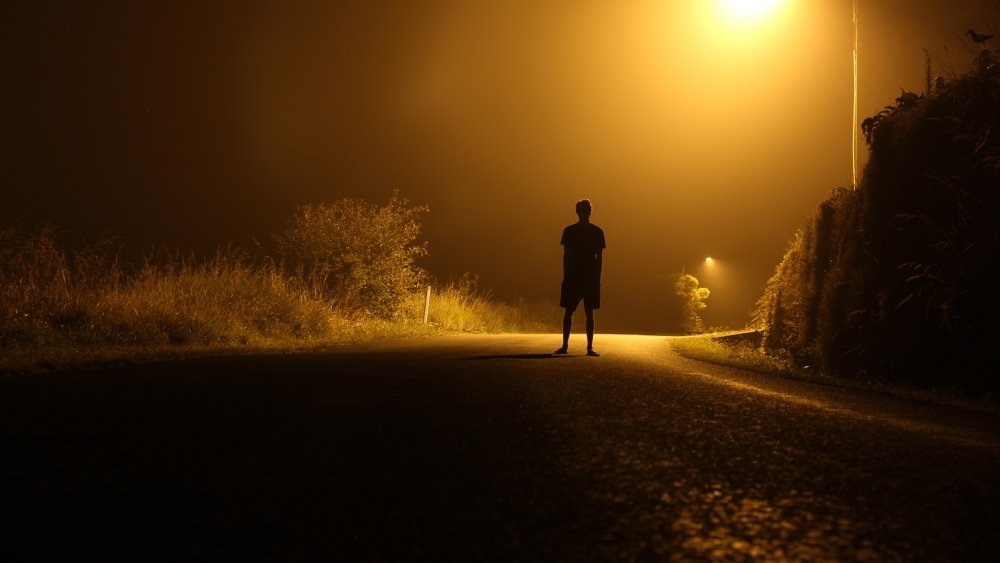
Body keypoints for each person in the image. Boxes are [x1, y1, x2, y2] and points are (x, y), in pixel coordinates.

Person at [555, 198, 606, 356]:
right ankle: (566, 345)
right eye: (583, 210)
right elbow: (566, 256)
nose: (585, 213)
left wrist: (597, 278)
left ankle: (588, 347)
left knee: (588, 313)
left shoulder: (596, 232)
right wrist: (566, 276)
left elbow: (599, 257)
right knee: (571, 312)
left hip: (587, 276)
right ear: (579, 212)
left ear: (589, 212)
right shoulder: (571, 231)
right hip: (576, 276)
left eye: (587, 210)